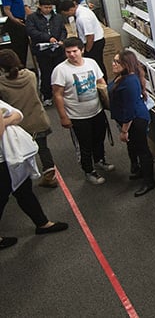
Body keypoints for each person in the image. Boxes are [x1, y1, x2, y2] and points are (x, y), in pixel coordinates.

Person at [0, 97, 68, 250]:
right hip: (2, 161)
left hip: (12, 157)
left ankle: (42, 223)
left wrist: (5, 119)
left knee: (24, 190)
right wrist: (5, 119)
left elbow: (18, 114)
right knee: (2, 196)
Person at [52, 37, 113, 185]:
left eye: (75, 51)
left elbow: (101, 82)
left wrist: (107, 102)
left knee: (99, 138)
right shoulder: (60, 70)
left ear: (82, 50)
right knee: (84, 145)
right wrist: (63, 117)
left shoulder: (91, 63)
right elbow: (58, 95)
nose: (72, 55)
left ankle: (99, 160)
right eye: (68, 52)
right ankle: (88, 170)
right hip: (77, 116)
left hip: (97, 111)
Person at [0, 49, 58, 187]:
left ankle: (23, 180)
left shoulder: (1, 84)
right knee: (43, 149)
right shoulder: (31, 75)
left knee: (19, 152)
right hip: (38, 119)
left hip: (18, 126)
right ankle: (50, 175)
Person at [109, 50, 155, 197]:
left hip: (135, 121)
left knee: (142, 150)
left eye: (117, 62)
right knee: (134, 147)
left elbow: (130, 110)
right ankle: (141, 171)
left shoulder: (130, 82)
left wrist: (124, 131)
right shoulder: (122, 77)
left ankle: (149, 181)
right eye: (114, 61)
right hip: (127, 121)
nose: (113, 64)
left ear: (126, 64)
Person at [26, 0, 67, 105]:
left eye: (50, 7)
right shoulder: (32, 18)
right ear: (39, 6)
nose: (48, 9)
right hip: (43, 51)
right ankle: (47, 96)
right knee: (46, 73)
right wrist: (47, 38)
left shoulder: (58, 17)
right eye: (46, 7)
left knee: (61, 72)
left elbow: (63, 30)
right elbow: (31, 31)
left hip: (58, 50)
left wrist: (62, 40)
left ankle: (64, 94)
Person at [57, 1, 106, 80]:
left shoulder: (83, 17)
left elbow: (90, 36)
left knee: (96, 64)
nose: (66, 16)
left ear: (71, 9)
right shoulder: (82, 10)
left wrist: (87, 51)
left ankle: (101, 84)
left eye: (66, 13)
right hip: (93, 41)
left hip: (93, 44)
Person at [1, 0, 30, 67]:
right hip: (14, 23)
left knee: (24, 45)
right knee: (18, 47)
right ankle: (18, 66)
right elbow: (6, 9)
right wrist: (14, 19)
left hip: (22, 20)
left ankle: (23, 65)